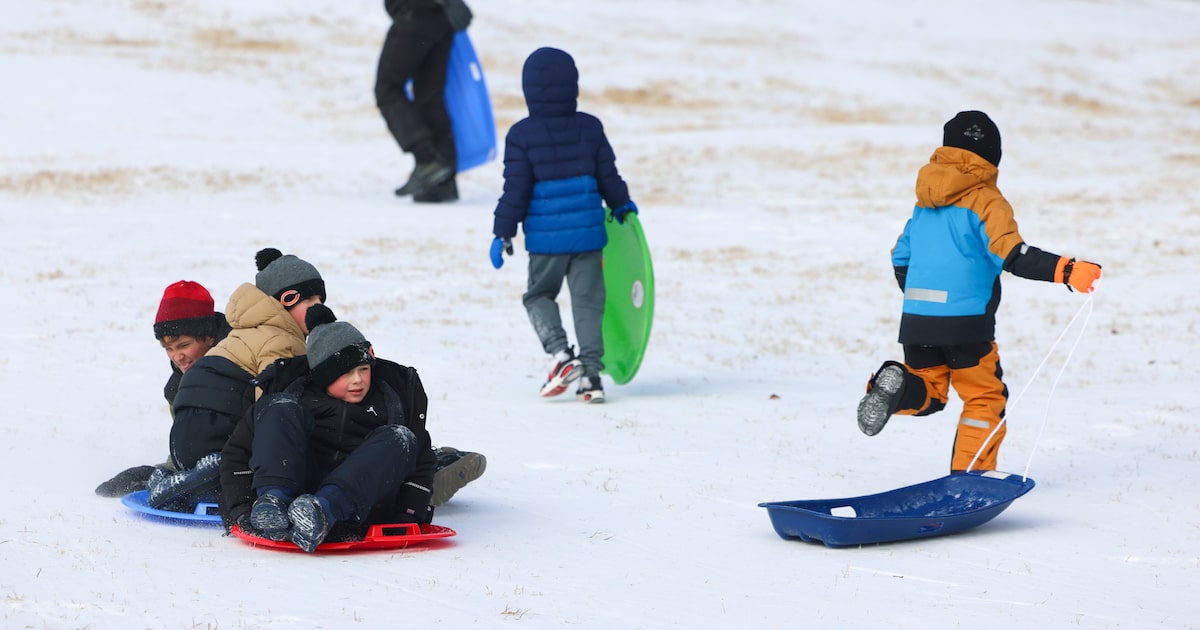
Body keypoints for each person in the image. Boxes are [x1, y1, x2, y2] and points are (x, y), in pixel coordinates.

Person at [856, 110, 1102, 473]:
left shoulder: (924, 203)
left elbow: (900, 255)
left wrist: (919, 297)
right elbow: (1012, 256)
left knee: (931, 392)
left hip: (917, 320)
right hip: (965, 324)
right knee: (984, 398)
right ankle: (971, 477)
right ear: (991, 156)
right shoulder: (986, 200)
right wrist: (1067, 270)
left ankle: (894, 388)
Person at [220, 305, 438, 552]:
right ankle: (274, 502)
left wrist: (408, 516)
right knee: (279, 408)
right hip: (296, 494)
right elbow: (237, 454)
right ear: (322, 377)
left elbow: (421, 462)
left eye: (363, 370)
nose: (357, 380)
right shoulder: (293, 394)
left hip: (357, 504)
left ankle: (322, 512)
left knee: (400, 438)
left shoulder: (389, 402)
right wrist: (241, 508)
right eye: (344, 373)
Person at [489, 47, 639, 404]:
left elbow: (516, 191)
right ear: (573, 86)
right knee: (588, 303)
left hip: (546, 242)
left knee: (538, 295)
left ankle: (561, 356)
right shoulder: (590, 127)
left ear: (529, 90)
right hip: (589, 235)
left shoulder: (522, 135)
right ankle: (591, 378)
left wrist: (502, 232)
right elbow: (608, 175)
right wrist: (621, 204)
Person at [145, 248, 325, 510]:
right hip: (217, 438)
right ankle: (197, 483)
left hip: (186, 438)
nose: (319, 311)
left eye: (321, 303)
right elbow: (274, 409)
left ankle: (184, 475)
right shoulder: (282, 340)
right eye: (311, 305)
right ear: (285, 302)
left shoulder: (243, 332)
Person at [95, 280, 232, 497]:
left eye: (184, 345)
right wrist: (161, 472)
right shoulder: (177, 388)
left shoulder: (237, 365)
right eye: (168, 348)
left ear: (209, 337)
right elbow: (188, 442)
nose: (177, 356)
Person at [375, 0, 473, 203]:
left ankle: (428, 161)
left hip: (416, 11)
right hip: (440, 17)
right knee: (429, 96)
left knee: (388, 88)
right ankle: (442, 181)